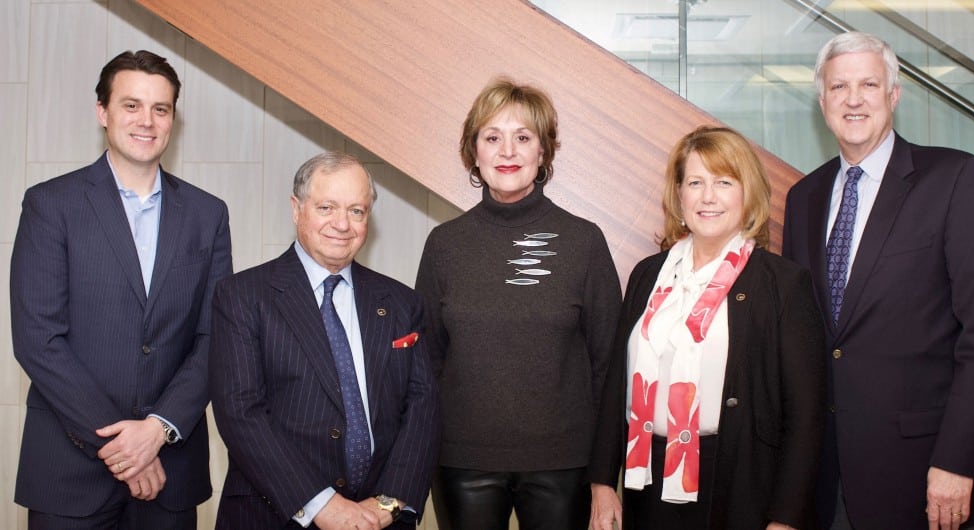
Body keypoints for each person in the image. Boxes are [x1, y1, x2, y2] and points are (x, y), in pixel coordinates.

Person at [782, 31, 974, 530]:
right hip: (826, 480)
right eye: (838, 86)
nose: (852, 99)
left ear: (894, 95)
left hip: (926, 476)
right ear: (821, 100)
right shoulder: (803, 197)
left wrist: (959, 461)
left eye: (868, 84)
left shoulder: (956, 178)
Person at [10, 50, 233, 528]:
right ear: (102, 112)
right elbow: (38, 340)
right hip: (69, 474)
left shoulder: (208, 214)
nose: (146, 121)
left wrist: (158, 430)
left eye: (161, 108)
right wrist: (123, 448)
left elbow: (214, 338)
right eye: (131, 105)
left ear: (173, 117)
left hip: (171, 471)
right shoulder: (50, 205)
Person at [589, 125, 826, 530]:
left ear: (746, 193)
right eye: (695, 182)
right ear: (679, 195)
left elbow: (806, 416)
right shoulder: (648, 275)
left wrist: (785, 518)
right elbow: (617, 384)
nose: (708, 196)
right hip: (646, 479)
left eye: (723, 181)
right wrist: (601, 483)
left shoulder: (782, 284)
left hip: (737, 481)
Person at [415, 77, 622, 530]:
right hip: (461, 462)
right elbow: (426, 363)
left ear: (543, 152)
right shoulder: (444, 245)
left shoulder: (583, 242)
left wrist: (605, 476)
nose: (507, 151)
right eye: (493, 137)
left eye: (523, 137)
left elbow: (610, 367)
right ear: (474, 152)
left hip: (564, 466)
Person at [209, 152, 440, 530]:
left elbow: (422, 409)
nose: (342, 224)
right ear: (296, 209)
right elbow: (240, 413)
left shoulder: (401, 303)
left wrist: (389, 503)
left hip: (379, 519)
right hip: (274, 514)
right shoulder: (242, 296)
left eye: (357, 211)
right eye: (327, 207)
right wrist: (322, 505)